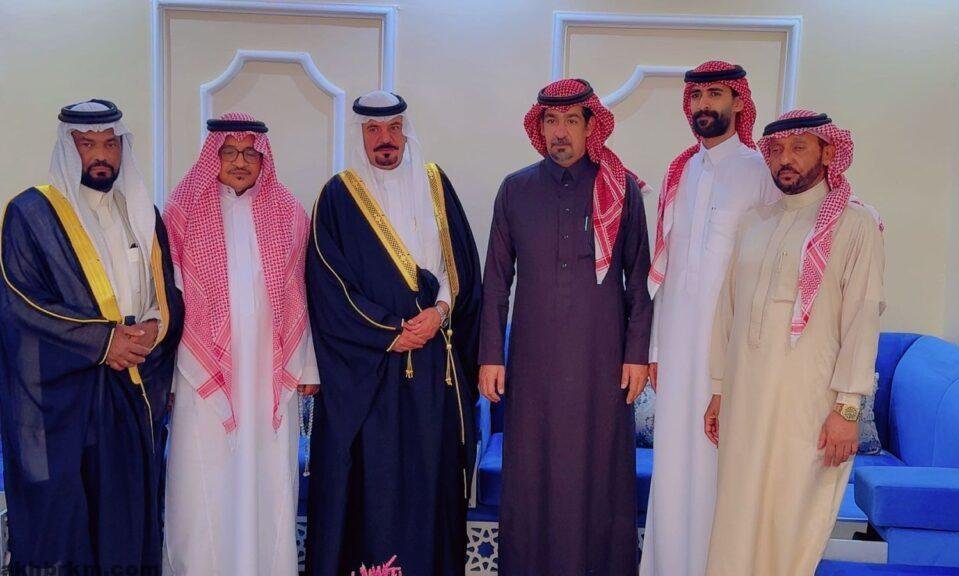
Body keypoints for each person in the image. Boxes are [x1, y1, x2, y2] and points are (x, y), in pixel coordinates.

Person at [0, 99, 183, 575]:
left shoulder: (141, 213)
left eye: (109, 144)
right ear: (69, 148)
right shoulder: (30, 214)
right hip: (61, 401)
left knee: (125, 514)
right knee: (66, 520)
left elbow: (166, 291)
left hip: (130, 388)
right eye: (87, 144)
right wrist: (103, 342)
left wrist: (154, 328)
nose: (101, 155)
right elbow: (22, 303)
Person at [478, 78, 652, 576]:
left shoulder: (620, 191)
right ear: (539, 127)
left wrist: (636, 354)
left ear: (590, 125)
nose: (560, 132)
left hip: (602, 362)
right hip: (532, 363)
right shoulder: (515, 189)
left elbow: (639, 278)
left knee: (599, 474)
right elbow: (496, 279)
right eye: (551, 121)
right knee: (532, 474)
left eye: (572, 120)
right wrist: (490, 355)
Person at [304, 91, 482, 576]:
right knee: (375, 480)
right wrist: (389, 331)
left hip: (432, 367)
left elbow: (460, 266)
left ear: (406, 130)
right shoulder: (338, 196)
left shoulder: (436, 183)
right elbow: (327, 283)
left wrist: (440, 311)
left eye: (394, 128)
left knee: (430, 477)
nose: (386, 139)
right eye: (374, 130)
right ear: (360, 135)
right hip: (371, 370)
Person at [704, 109, 884, 575]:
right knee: (736, 510)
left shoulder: (855, 225)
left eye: (799, 147)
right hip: (745, 396)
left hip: (808, 403)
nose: (785, 159)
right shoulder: (754, 221)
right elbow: (728, 311)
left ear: (827, 152)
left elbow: (862, 319)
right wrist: (719, 390)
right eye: (777, 150)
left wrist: (847, 409)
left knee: (791, 514)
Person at [161, 112, 319, 575]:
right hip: (199, 370)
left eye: (250, 153)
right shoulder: (182, 211)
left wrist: (307, 366)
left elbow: (302, 293)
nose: (239, 162)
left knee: (267, 476)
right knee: (202, 478)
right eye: (228, 152)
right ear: (212, 156)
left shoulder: (289, 212)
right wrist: (170, 375)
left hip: (270, 370)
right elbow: (168, 297)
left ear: (263, 159)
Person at [640, 60, 777, 576]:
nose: (703, 106)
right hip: (676, 344)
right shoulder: (682, 170)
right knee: (673, 464)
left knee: (718, 465)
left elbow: (770, 266)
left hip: (730, 350)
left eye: (715, 95)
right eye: (696, 97)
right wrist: (655, 349)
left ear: (738, 101)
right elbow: (666, 267)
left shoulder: (760, 171)